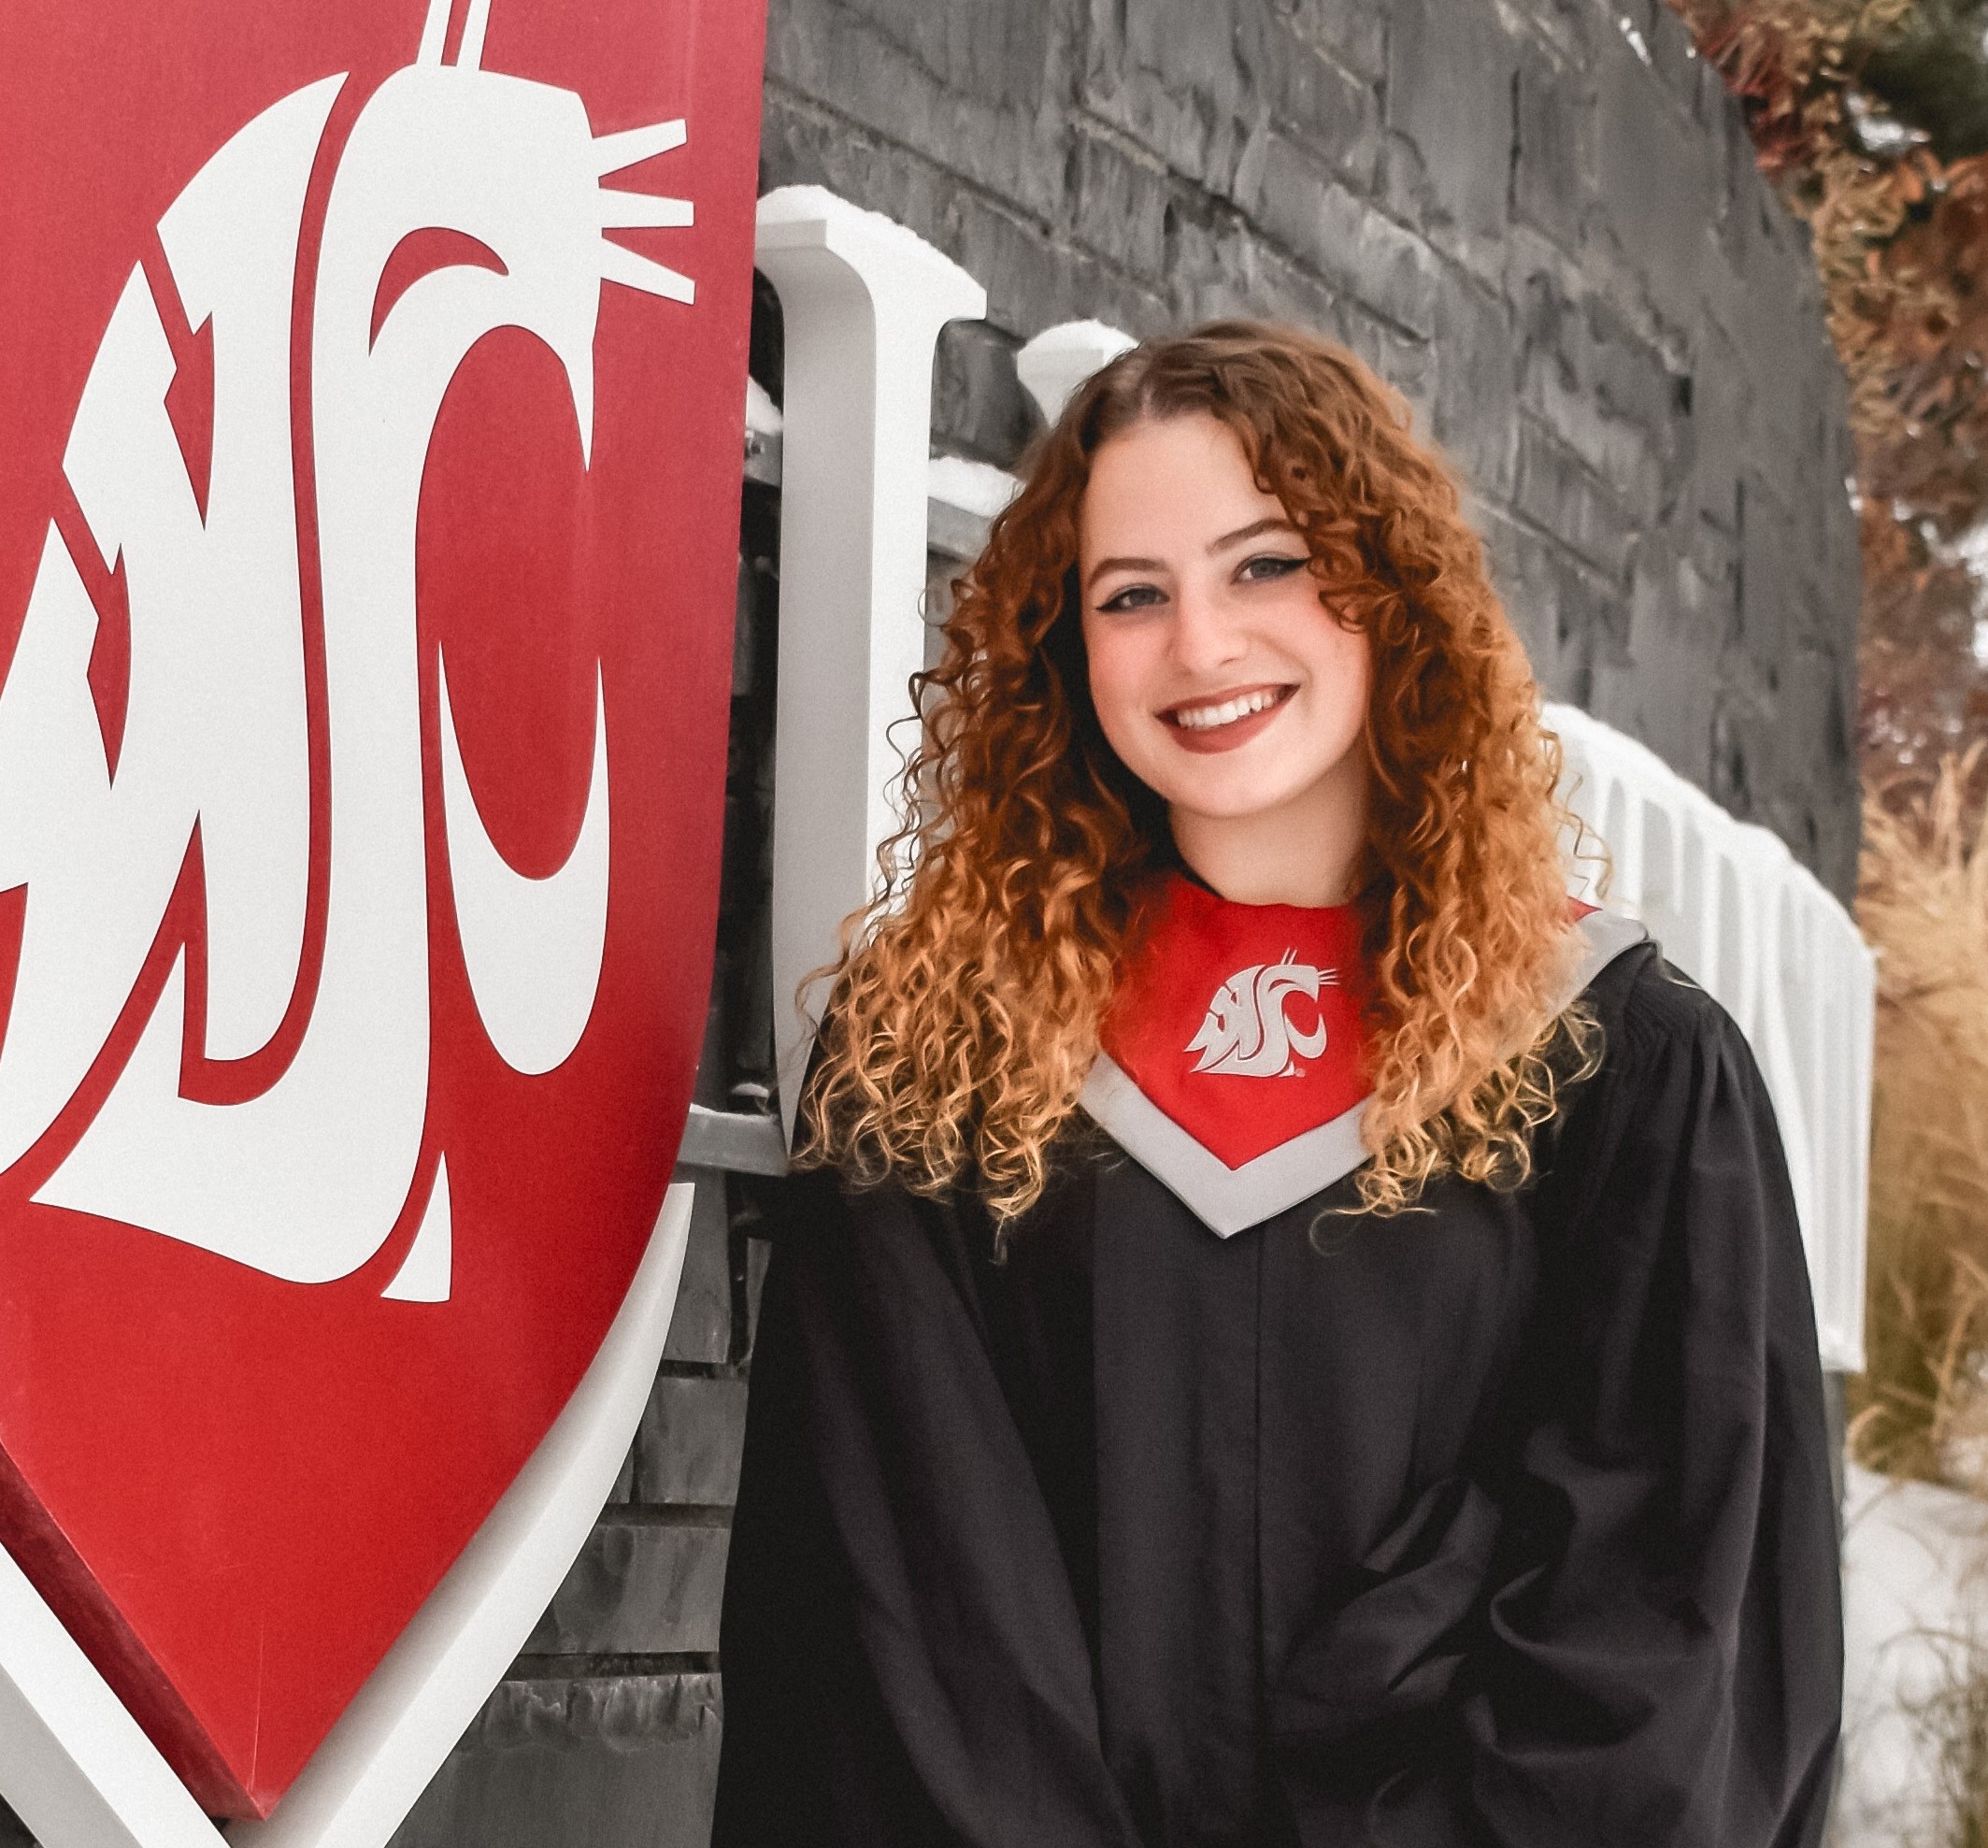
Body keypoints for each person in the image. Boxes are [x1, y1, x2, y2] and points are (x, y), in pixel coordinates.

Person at [711, 322, 1842, 1847]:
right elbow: (898, 1624)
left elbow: (1658, 1641)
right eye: (1131, 596)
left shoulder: (1619, 1072)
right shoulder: (940, 1066)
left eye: (1266, 566)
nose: (1202, 645)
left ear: (1389, 594)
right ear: (1066, 645)